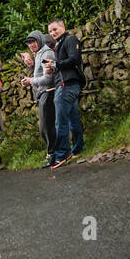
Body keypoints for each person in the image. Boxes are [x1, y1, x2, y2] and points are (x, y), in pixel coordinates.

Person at [46, 18, 84, 167]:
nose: (52, 33)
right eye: (50, 31)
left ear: (63, 27)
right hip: (67, 84)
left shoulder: (70, 39)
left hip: (67, 85)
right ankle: (78, 148)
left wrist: (56, 65)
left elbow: (75, 58)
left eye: (55, 29)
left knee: (60, 120)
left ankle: (62, 154)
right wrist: (53, 68)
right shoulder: (59, 43)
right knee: (72, 118)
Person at [21, 30, 58, 166]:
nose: (31, 45)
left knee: (46, 127)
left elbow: (48, 78)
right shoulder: (39, 54)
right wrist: (31, 66)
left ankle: (53, 154)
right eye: (29, 43)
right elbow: (40, 73)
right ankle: (52, 153)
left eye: (33, 42)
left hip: (48, 91)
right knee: (45, 127)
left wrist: (30, 81)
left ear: (40, 40)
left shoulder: (46, 53)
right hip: (43, 93)